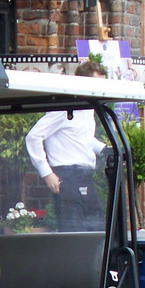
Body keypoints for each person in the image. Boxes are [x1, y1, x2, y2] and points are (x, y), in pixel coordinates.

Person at [25, 59, 108, 231]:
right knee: (74, 230)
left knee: (98, 227)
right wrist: (46, 173)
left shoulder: (88, 108)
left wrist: (106, 149)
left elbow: (82, 137)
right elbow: (33, 137)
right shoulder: (64, 109)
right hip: (67, 175)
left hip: (85, 175)